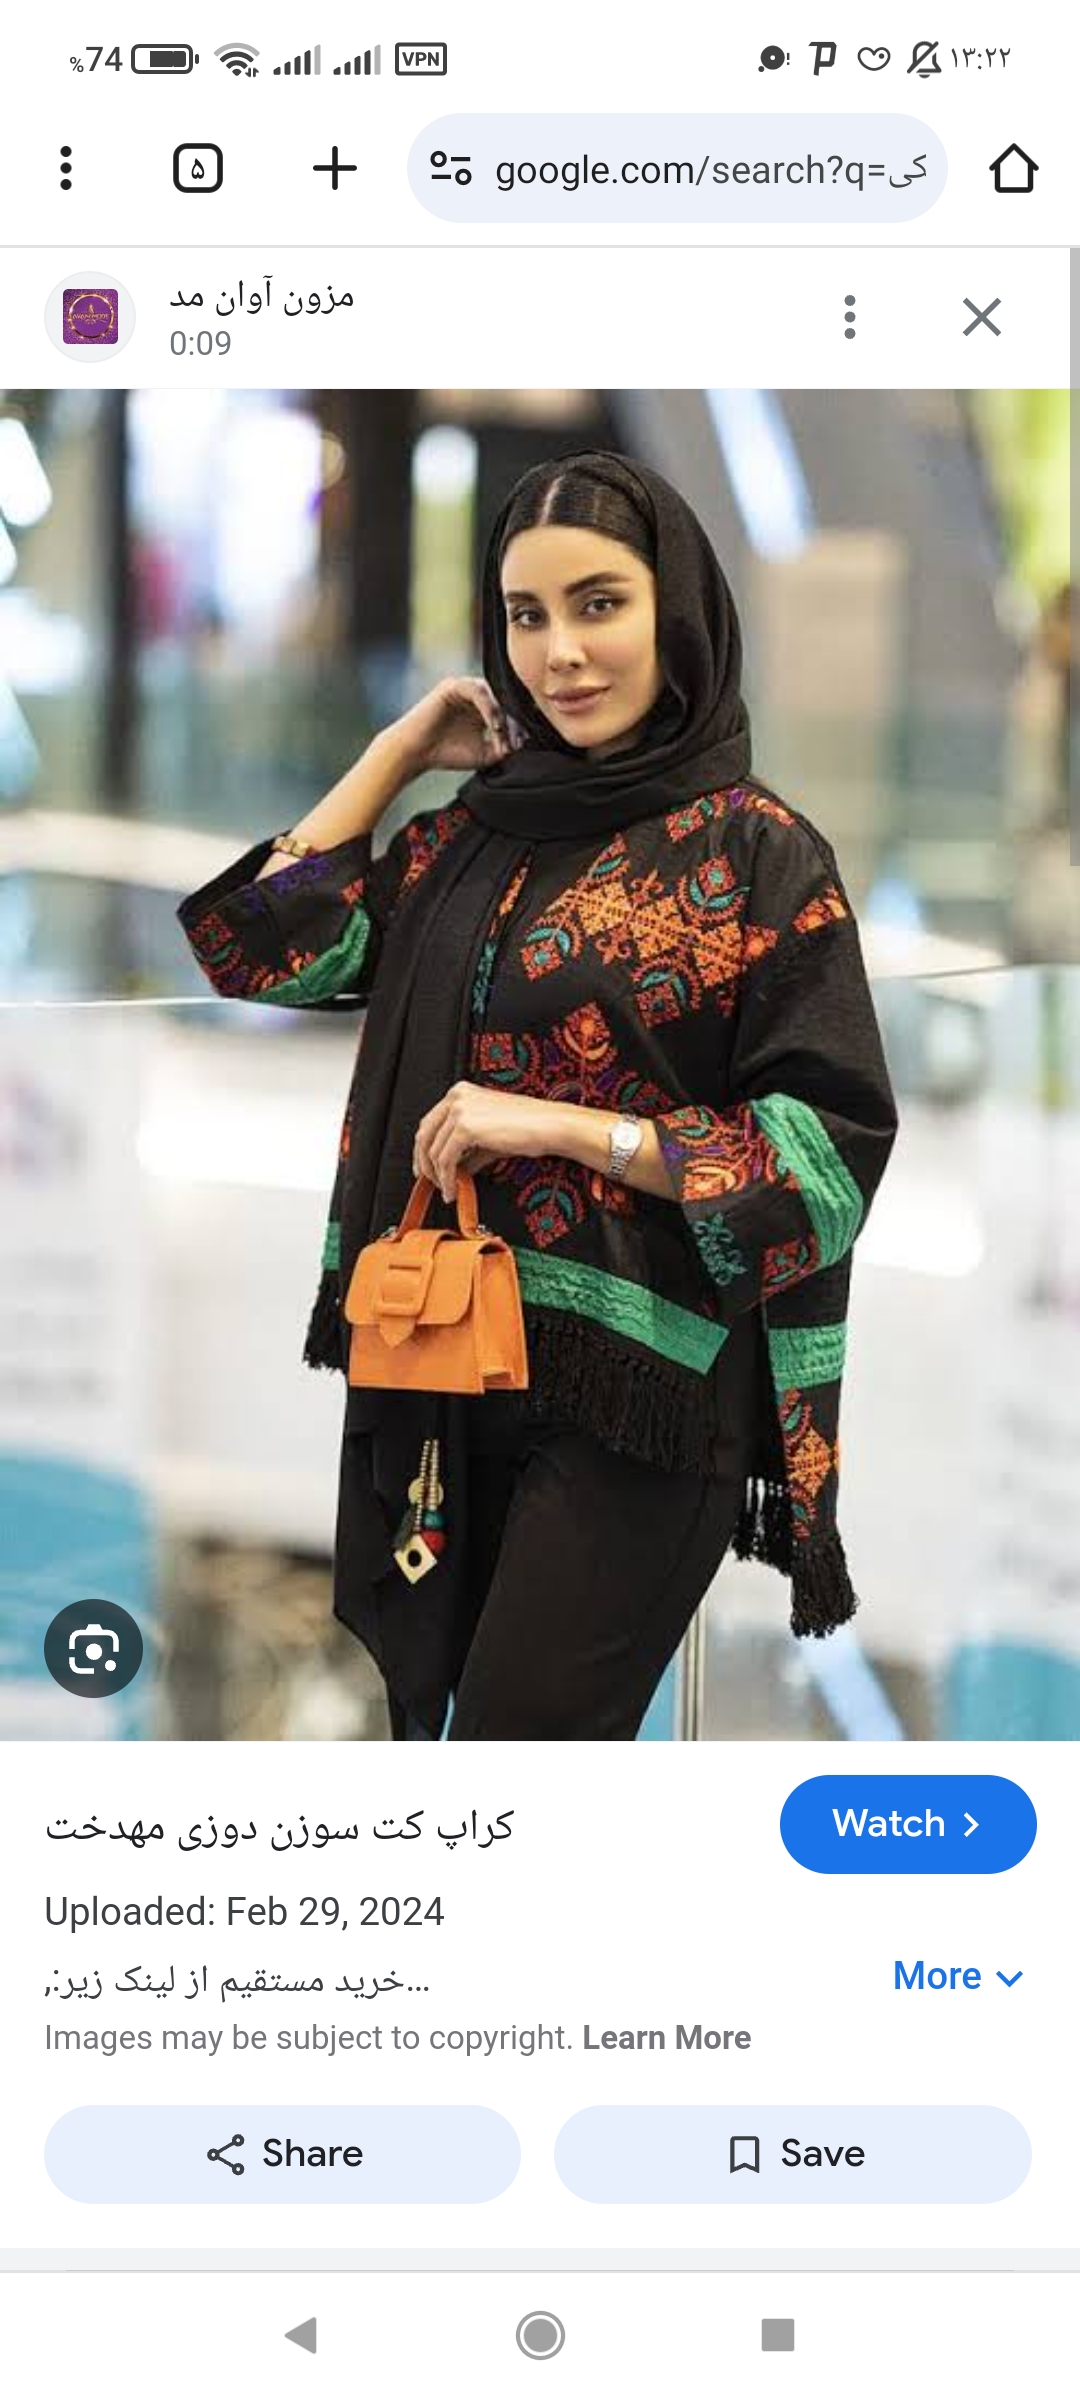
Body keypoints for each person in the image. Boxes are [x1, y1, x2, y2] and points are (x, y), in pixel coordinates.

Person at [178, 450, 897, 1741]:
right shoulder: (466, 838)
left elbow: (824, 1159)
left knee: (515, 1756)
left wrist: (568, 1129)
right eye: (526, 615)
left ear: (677, 612)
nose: (560, 652)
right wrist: (400, 751)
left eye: (599, 604)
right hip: (447, 1363)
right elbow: (260, 953)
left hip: (646, 1400)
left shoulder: (761, 852)